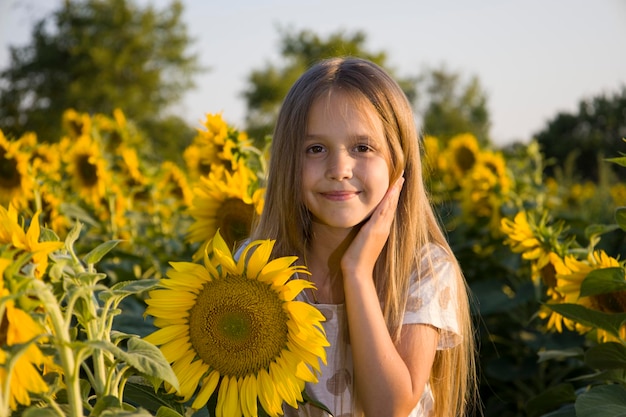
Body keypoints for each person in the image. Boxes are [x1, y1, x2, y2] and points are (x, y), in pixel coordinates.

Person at [248, 57, 477, 417]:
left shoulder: (424, 270)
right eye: (315, 149)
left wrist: (357, 272)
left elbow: (388, 408)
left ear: (399, 163)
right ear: (287, 163)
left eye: (363, 148)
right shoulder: (259, 268)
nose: (339, 170)